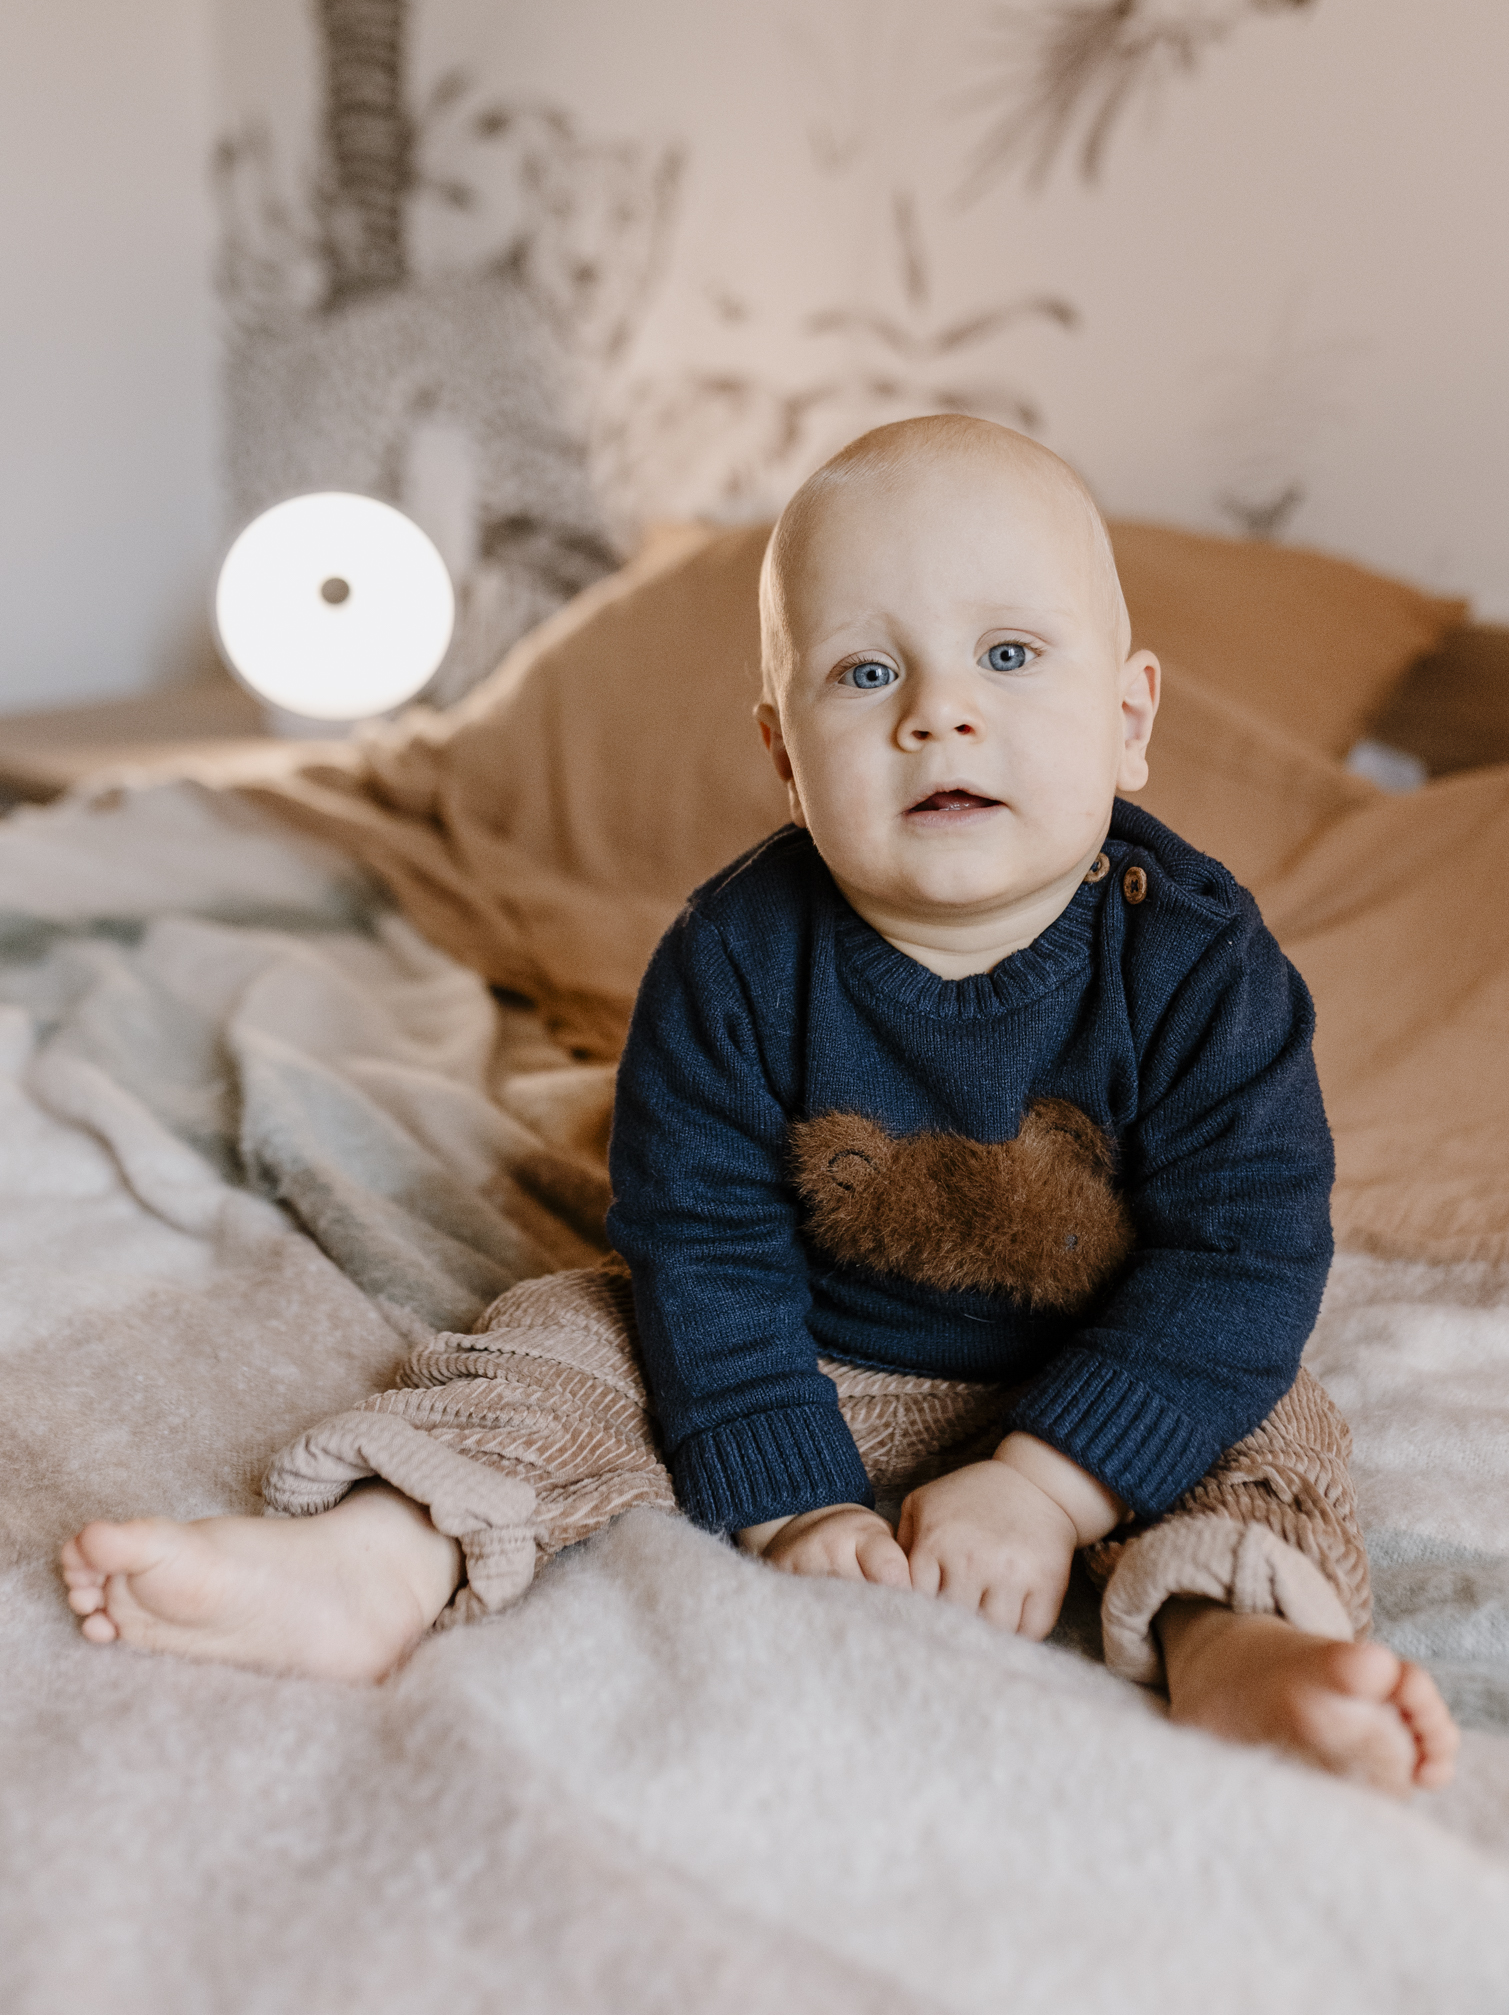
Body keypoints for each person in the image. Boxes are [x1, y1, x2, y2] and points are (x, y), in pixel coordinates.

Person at [60, 416, 1458, 1797]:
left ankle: (1240, 1645)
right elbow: (705, 1242)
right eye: (865, 672)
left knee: (1273, 1412)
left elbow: (1243, 1254)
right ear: (787, 758)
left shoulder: (1202, 965)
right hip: (805, 1351)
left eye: (1009, 656)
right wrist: (787, 1493)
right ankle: (378, 1557)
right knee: (572, 1327)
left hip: (1112, 1359)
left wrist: (1049, 1483)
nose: (937, 713)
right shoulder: (730, 960)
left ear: (1130, 721)